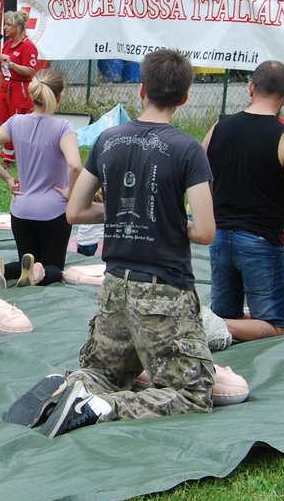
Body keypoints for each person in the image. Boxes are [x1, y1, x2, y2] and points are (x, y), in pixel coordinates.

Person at [12, 49, 216, 436]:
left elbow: (75, 211)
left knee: (103, 371)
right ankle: (99, 406)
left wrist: (122, 211)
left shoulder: (108, 140)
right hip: (162, 293)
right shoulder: (188, 150)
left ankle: (67, 389)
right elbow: (205, 231)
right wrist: (170, 222)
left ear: (141, 90)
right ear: (185, 97)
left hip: (115, 286)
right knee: (192, 394)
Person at [200, 60, 284, 340]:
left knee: (226, 316)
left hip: (221, 236)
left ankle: (213, 323)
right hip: (261, 239)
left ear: (250, 88)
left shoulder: (218, 128)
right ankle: (202, 322)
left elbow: (199, 178)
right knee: (273, 326)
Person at [0, 67, 81, 286]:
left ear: (32, 95)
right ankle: (40, 271)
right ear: (59, 97)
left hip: (21, 211)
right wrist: (71, 192)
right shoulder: (63, 128)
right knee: (55, 269)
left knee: (28, 259)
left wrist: (7, 178)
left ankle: (4, 270)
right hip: (54, 211)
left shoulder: (16, 122)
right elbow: (75, 165)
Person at [0, 10, 39, 166]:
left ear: (18, 27)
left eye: (8, 25)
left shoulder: (28, 46)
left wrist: (12, 63)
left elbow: (30, 71)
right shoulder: (8, 45)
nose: (5, 27)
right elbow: (3, 69)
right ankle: (8, 157)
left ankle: (25, 157)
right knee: (5, 122)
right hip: (6, 85)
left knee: (20, 123)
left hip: (20, 88)